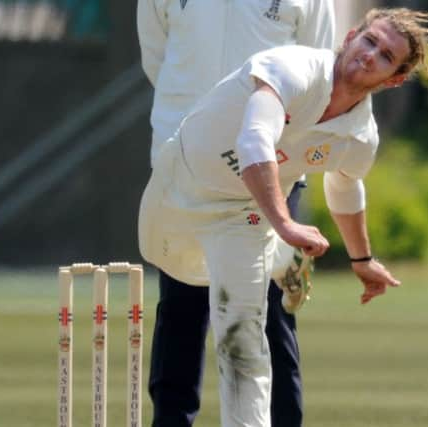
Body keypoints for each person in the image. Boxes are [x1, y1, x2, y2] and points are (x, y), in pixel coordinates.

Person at [139, 7, 428, 426]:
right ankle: (277, 257)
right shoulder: (291, 66)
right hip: (181, 191)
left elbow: (344, 185)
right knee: (184, 299)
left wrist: (362, 260)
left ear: (395, 78)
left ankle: (271, 257)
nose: (370, 56)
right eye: (369, 41)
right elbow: (254, 141)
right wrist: (286, 224)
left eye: (385, 56)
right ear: (349, 38)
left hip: (244, 217)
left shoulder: (361, 136)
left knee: (244, 339)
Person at [137, 1, 336, 426]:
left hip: (272, 170)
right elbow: (157, 56)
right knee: (182, 306)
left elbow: (321, 69)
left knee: (270, 311)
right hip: (186, 156)